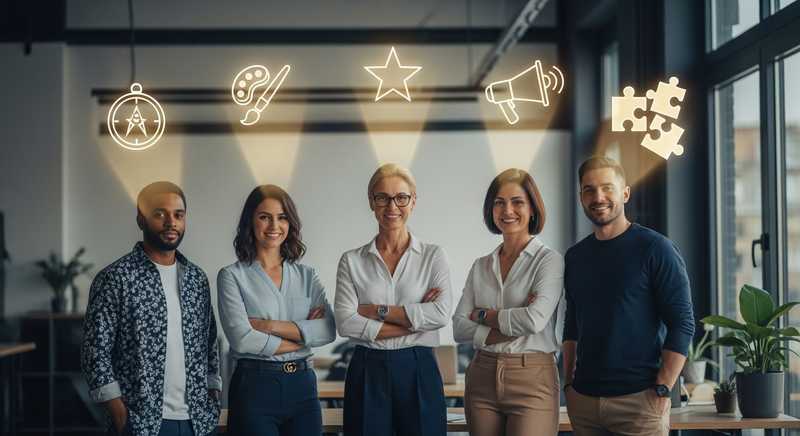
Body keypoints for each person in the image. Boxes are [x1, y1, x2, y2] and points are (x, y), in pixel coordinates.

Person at [562, 156, 695, 436]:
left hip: (639, 402)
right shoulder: (575, 257)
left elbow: (683, 323)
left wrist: (662, 389)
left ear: (625, 192)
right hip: (584, 403)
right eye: (589, 190)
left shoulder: (656, 249)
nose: (598, 197)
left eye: (607, 188)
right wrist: (568, 386)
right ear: (580, 197)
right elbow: (572, 324)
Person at [81, 181, 221, 436]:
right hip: (141, 423)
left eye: (178, 215)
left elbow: (209, 341)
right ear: (141, 219)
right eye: (160, 214)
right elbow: (94, 352)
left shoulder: (196, 279)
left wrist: (213, 391)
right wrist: (119, 412)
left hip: (199, 422)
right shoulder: (116, 278)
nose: (171, 222)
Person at [334, 163, 452, 436]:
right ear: (371, 202)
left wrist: (376, 311)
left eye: (401, 197)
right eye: (382, 197)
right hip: (367, 368)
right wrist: (415, 321)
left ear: (413, 201)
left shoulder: (433, 256)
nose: (392, 206)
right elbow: (345, 322)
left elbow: (441, 315)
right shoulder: (352, 261)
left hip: (419, 367)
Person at [453, 168, 565, 436]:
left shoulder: (548, 261)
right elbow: (458, 327)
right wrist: (511, 318)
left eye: (517, 202)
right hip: (481, 375)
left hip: (532, 378)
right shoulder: (481, 265)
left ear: (533, 208)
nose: (508, 210)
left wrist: (481, 315)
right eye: (499, 203)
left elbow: (533, 320)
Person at [217, 185, 336, 436]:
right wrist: (303, 336)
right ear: (250, 221)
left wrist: (267, 326)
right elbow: (242, 339)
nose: (274, 225)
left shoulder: (307, 275)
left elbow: (327, 329)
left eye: (282, 217)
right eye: (264, 217)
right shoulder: (231, 276)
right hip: (255, 387)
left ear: (290, 223)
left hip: (303, 386)